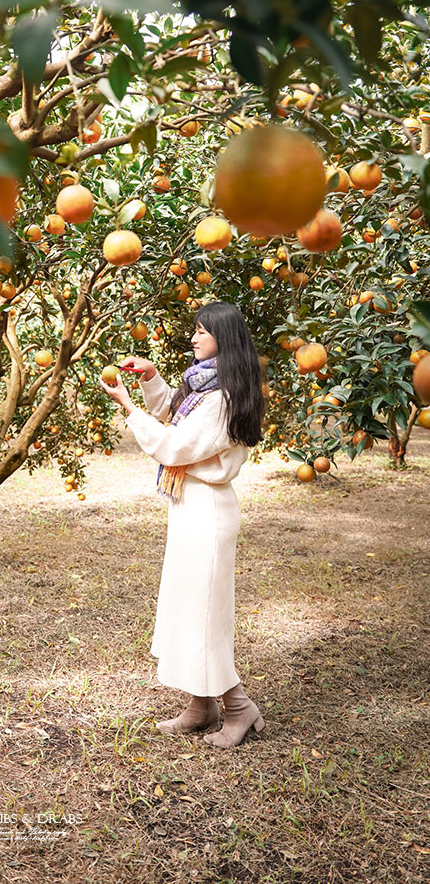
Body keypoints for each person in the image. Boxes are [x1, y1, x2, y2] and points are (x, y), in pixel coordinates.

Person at [100, 301, 266, 749]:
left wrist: (129, 408)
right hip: (190, 507)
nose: (193, 338)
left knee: (206, 614)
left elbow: (176, 446)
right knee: (188, 608)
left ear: (223, 340)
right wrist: (152, 379)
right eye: (194, 330)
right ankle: (201, 705)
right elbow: (176, 416)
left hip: (208, 512)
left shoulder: (224, 397)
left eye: (202, 332)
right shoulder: (205, 388)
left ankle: (238, 707)